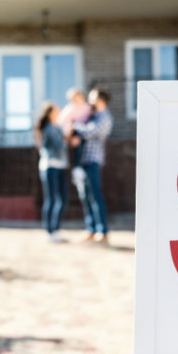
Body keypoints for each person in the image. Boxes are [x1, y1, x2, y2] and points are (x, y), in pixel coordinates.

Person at [72, 88, 113, 244]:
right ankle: (91, 229)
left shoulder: (105, 117)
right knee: (85, 196)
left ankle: (102, 231)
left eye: (92, 98)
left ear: (100, 99)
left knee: (95, 195)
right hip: (84, 160)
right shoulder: (93, 116)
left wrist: (75, 124)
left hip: (93, 160)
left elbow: (90, 132)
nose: (89, 101)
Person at [34, 102, 69, 243]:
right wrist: (69, 135)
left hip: (60, 166)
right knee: (52, 199)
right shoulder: (48, 128)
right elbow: (60, 146)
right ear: (50, 113)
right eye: (56, 109)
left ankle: (56, 228)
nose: (59, 111)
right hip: (50, 166)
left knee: (63, 199)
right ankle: (50, 231)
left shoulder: (57, 127)